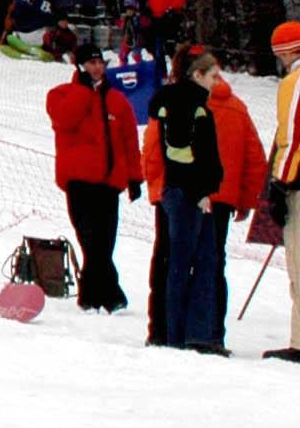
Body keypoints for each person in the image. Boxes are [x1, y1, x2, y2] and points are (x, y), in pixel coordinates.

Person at [143, 44, 263, 353]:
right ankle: (209, 333)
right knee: (211, 265)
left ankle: (165, 331)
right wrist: (245, 198)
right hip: (220, 197)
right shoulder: (236, 107)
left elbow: (155, 149)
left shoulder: (172, 100)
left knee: (171, 261)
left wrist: (157, 188)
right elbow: (254, 156)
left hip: (180, 192)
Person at [47, 42, 140, 312]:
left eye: (100, 63)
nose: (97, 68)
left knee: (104, 242)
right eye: (91, 63)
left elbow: (130, 141)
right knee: (90, 239)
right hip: (79, 181)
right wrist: (84, 91)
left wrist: (135, 176)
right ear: (79, 66)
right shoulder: (61, 94)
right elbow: (64, 120)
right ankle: (110, 295)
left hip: (109, 183)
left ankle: (91, 296)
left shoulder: (117, 101)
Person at [267, 24, 300, 363]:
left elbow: (290, 137)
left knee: (299, 263)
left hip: (298, 183)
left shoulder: (294, 82)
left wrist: (280, 181)